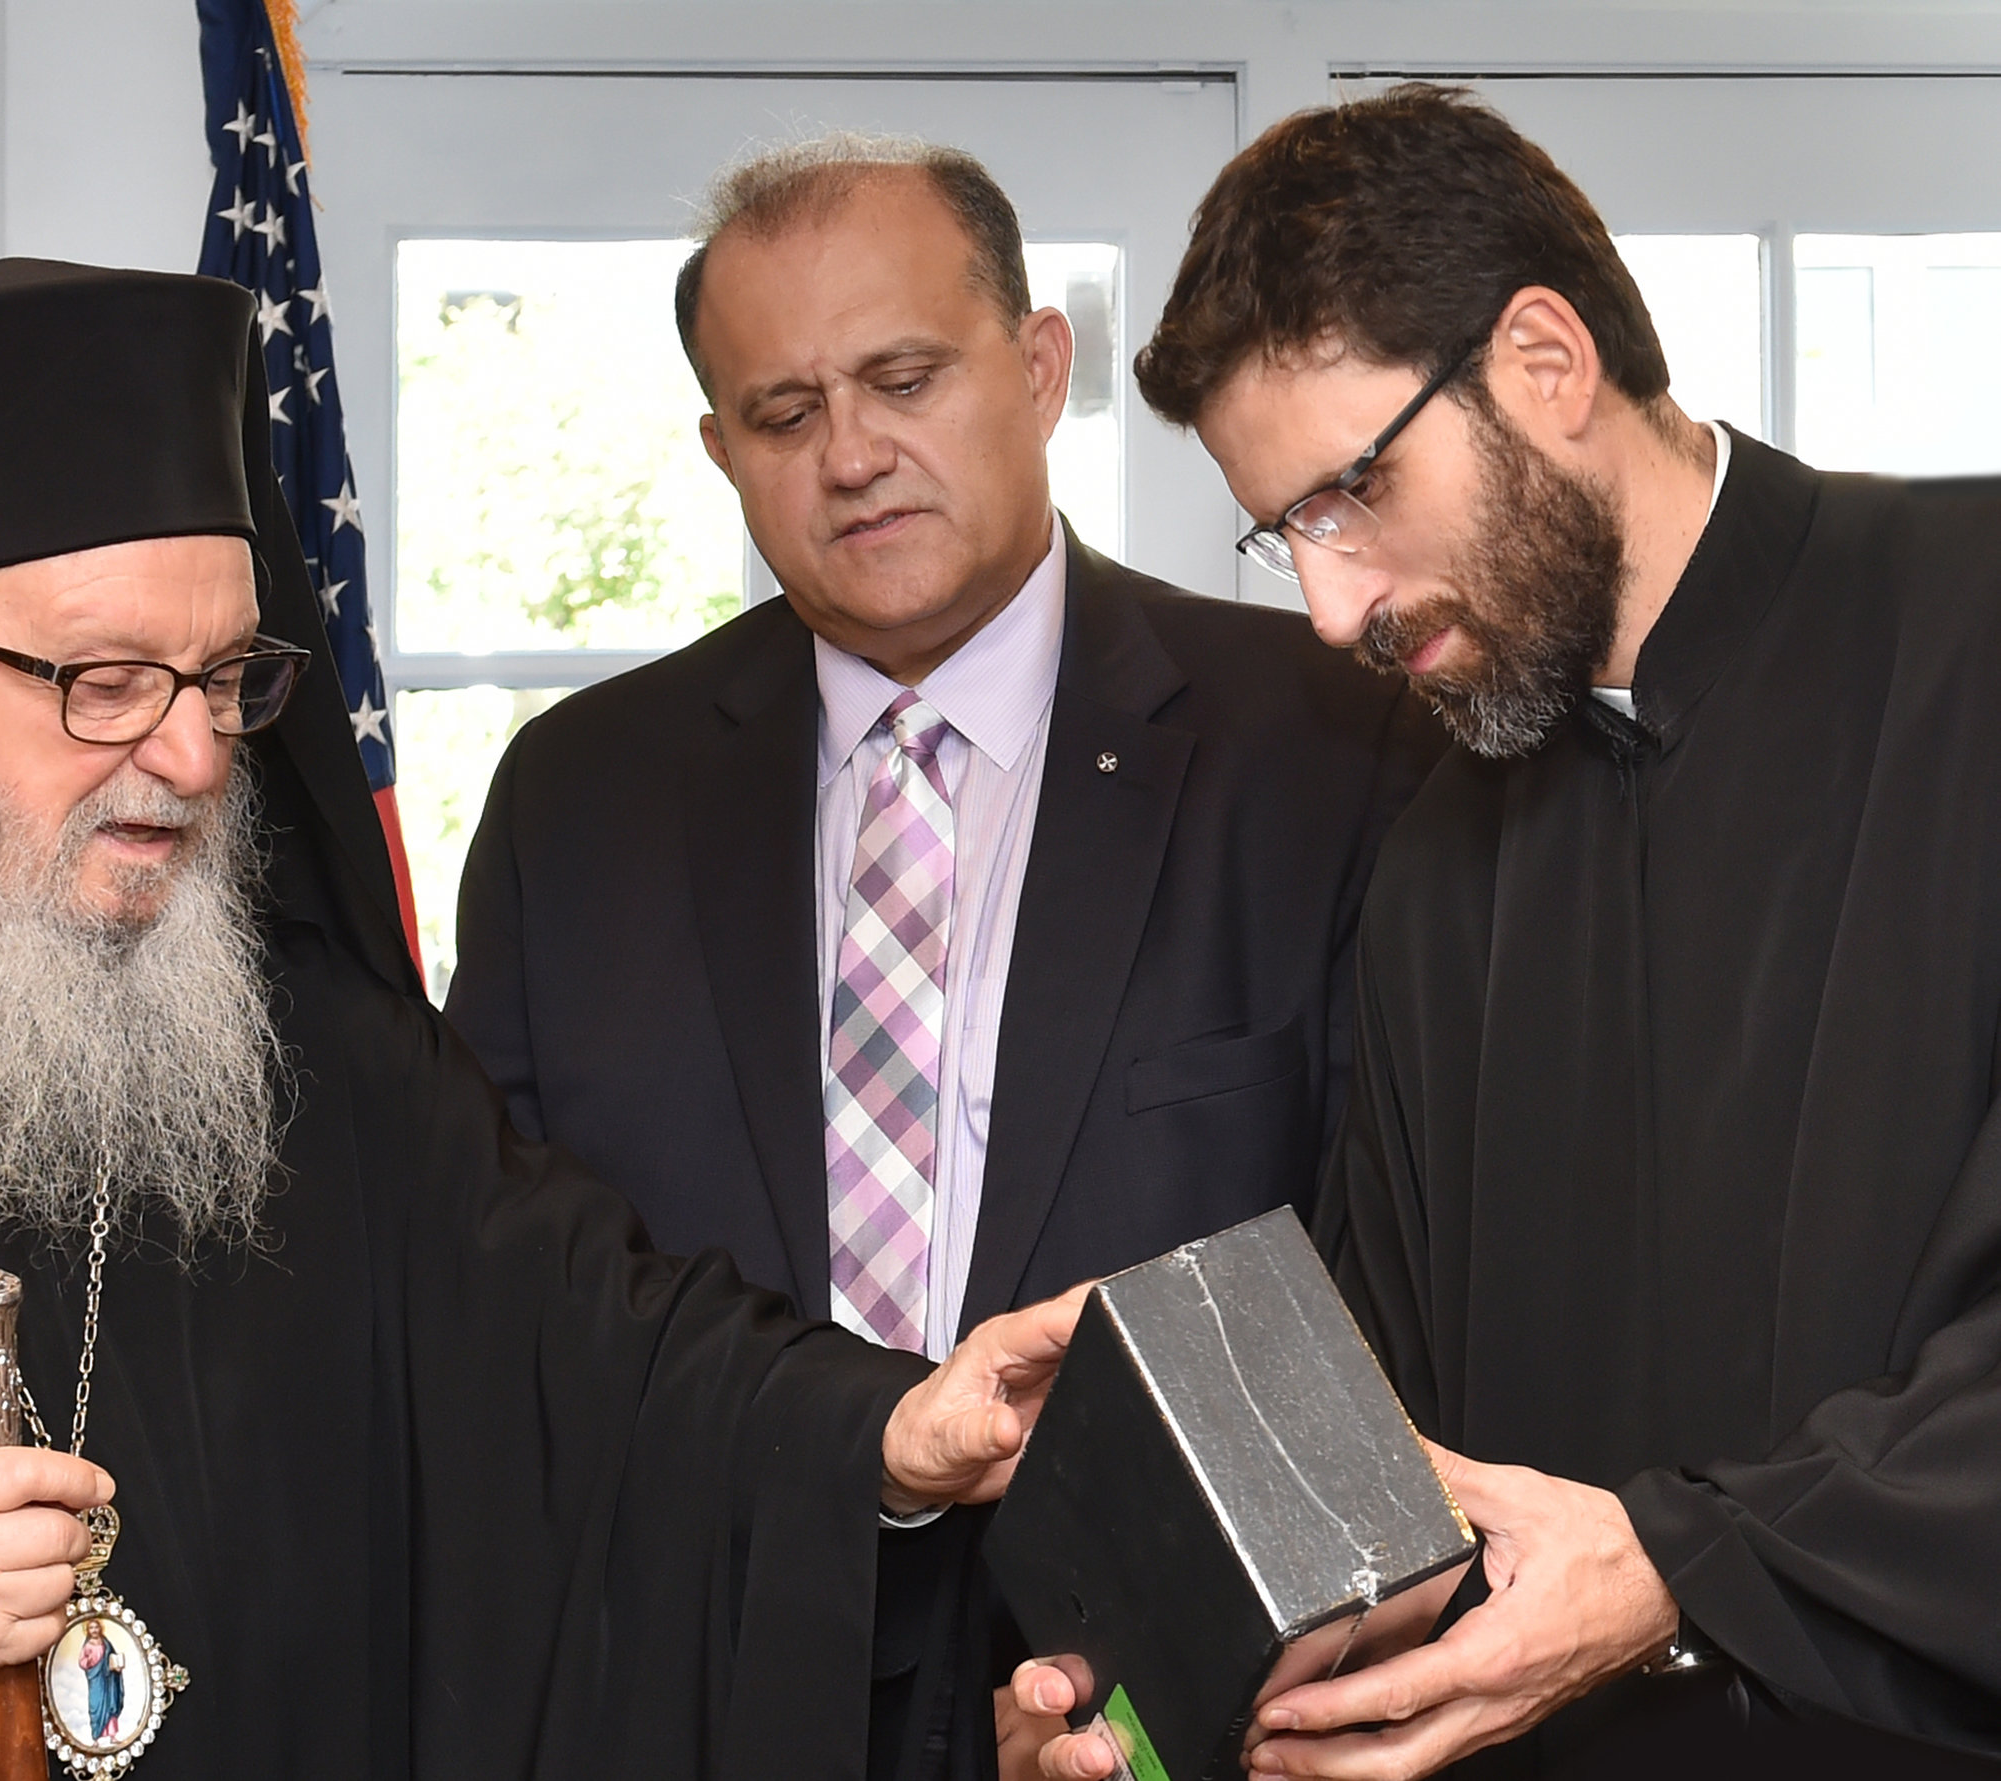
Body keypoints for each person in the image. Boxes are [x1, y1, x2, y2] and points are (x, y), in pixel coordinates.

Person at [0, 256, 1086, 1780]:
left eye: (222, 679)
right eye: (109, 681)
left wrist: (888, 1427)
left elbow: (609, 1365)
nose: (192, 758)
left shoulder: (320, 1052)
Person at [1017, 84, 2001, 1780]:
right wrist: (1153, 1717)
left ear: (1546, 362)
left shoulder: (1973, 632)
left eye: (1352, 494)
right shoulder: (1439, 857)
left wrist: (1684, 1564)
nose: (1331, 609)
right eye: (1286, 536)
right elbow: (1406, 1467)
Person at [443, 136, 1444, 1780]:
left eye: (904, 376)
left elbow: (1394, 1283)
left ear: (1039, 368)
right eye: (784, 413)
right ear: (720, 449)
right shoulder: (580, 797)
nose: (852, 455)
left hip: (1168, 1718)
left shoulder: (1334, 745)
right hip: (702, 1689)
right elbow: (514, 1307)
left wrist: (1178, 1692)